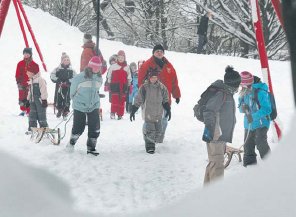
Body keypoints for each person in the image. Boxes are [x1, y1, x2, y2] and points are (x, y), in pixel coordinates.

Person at [202, 66, 241, 185]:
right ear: (233, 84)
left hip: (219, 134)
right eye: (238, 85)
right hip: (216, 134)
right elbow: (209, 111)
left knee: (214, 162)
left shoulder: (227, 94)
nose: (238, 88)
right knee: (217, 164)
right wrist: (210, 128)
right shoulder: (221, 94)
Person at [138, 44, 181, 143]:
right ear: (153, 53)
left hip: (165, 99)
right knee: (150, 120)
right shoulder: (147, 65)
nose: (159, 52)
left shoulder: (169, 66)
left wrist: (177, 95)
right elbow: (140, 81)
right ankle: (148, 139)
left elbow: (174, 81)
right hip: (151, 99)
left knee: (164, 120)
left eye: (161, 51)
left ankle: (158, 139)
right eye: (157, 51)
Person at [66, 56, 103, 156]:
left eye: (98, 67)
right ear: (90, 66)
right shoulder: (79, 77)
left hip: (94, 105)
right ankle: (71, 143)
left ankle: (91, 148)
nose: (96, 69)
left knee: (95, 128)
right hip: (79, 106)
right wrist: (76, 100)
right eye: (94, 67)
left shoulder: (99, 78)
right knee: (78, 128)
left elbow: (96, 90)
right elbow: (72, 92)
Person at [130, 68, 170, 154]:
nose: (153, 79)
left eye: (155, 77)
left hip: (158, 114)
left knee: (159, 131)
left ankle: (149, 136)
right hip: (148, 113)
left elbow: (165, 99)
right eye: (152, 77)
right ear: (149, 78)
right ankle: (150, 146)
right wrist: (133, 109)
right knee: (150, 131)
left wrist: (168, 109)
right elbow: (138, 99)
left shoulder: (162, 87)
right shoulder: (144, 87)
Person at [238, 71, 271, 167]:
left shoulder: (260, 92)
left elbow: (267, 109)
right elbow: (240, 108)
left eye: (243, 85)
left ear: (248, 84)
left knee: (261, 143)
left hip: (261, 122)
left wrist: (253, 116)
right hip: (248, 124)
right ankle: (250, 166)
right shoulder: (243, 93)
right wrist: (243, 107)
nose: (241, 87)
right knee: (248, 146)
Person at [107, 50, 131, 120]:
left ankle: (120, 114)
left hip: (123, 86)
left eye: (122, 57)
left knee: (122, 100)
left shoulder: (127, 67)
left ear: (124, 58)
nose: (120, 59)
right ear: (117, 58)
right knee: (114, 99)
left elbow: (129, 76)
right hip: (115, 85)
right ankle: (113, 112)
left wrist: (129, 84)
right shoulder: (113, 66)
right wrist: (109, 82)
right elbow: (109, 74)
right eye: (119, 57)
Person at [50, 53, 77, 118]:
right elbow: (52, 75)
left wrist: (69, 81)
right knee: (58, 98)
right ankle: (59, 109)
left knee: (67, 98)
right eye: (65, 60)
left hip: (68, 86)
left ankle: (66, 111)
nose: (66, 61)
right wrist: (58, 80)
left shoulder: (71, 70)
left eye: (68, 60)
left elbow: (75, 77)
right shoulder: (57, 69)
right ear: (62, 61)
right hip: (59, 86)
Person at [15, 48, 39, 116]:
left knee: (29, 98)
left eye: (27, 54)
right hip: (22, 84)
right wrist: (18, 82)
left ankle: (29, 111)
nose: (26, 55)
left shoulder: (35, 65)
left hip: (30, 84)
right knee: (22, 97)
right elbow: (17, 74)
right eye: (25, 53)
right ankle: (23, 110)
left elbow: (37, 75)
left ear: (30, 54)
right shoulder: (20, 63)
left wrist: (34, 83)